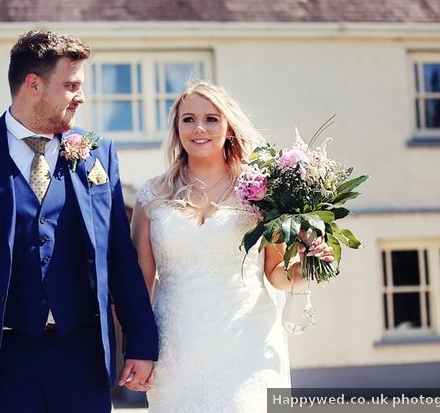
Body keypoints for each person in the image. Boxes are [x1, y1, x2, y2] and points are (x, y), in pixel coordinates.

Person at [0, 30, 158, 413]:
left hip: (83, 353)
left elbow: (118, 255)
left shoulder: (97, 152)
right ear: (33, 84)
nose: (81, 96)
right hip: (4, 356)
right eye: (71, 86)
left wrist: (141, 343)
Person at [131, 80, 334, 412]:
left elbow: (276, 273)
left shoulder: (260, 192)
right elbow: (140, 283)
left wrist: (307, 265)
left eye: (211, 118)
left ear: (228, 127)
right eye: (188, 119)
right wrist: (137, 348)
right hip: (177, 349)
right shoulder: (152, 196)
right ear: (177, 127)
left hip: (247, 345)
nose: (200, 127)